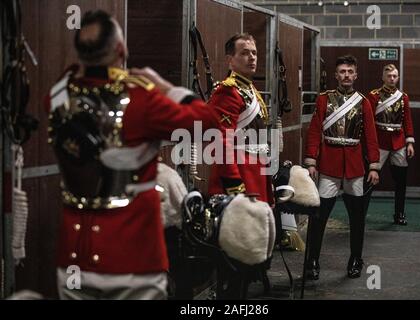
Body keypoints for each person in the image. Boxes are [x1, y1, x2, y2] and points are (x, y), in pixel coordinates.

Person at [45, 10, 219, 299]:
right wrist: (167, 89)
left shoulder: (57, 95)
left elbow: (72, 78)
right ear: (121, 49)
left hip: (75, 255)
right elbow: (207, 123)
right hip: (133, 257)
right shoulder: (142, 98)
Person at [207, 33, 274, 298]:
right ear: (230, 60)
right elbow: (220, 141)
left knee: (249, 245)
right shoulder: (227, 90)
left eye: (254, 52)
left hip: (256, 173)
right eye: (245, 52)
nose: (252, 57)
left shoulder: (249, 89)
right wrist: (234, 183)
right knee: (235, 250)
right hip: (239, 176)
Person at [303, 55, 380, 279]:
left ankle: (356, 258)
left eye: (350, 71)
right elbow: (315, 131)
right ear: (336, 75)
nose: (346, 75)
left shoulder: (363, 102)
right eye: (342, 72)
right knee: (319, 217)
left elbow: (371, 136)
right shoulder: (323, 99)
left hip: (355, 167)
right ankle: (312, 260)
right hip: (329, 165)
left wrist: (373, 166)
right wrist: (311, 160)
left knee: (357, 219)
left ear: (356, 75)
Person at [367, 64, 415, 225]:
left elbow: (407, 120)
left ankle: (399, 214)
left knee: (401, 181)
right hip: (380, 141)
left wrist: (410, 142)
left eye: (395, 76)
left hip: (399, 142)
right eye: (389, 76)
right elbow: (369, 122)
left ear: (398, 77)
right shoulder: (374, 96)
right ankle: (361, 212)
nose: (392, 78)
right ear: (383, 77)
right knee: (369, 180)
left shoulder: (403, 97)